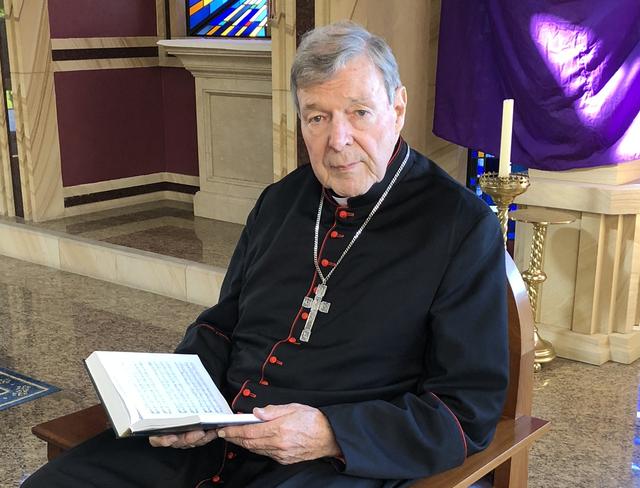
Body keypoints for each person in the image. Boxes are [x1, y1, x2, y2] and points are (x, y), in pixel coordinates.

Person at [24, 21, 508, 488]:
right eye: (317, 117)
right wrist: (185, 405)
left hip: (335, 460)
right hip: (215, 433)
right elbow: (222, 325)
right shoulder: (279, 202)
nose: (337, 141)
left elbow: (465, 410)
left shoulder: (460, 226)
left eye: (359, 112)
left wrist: (332, 434)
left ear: (397, 108)